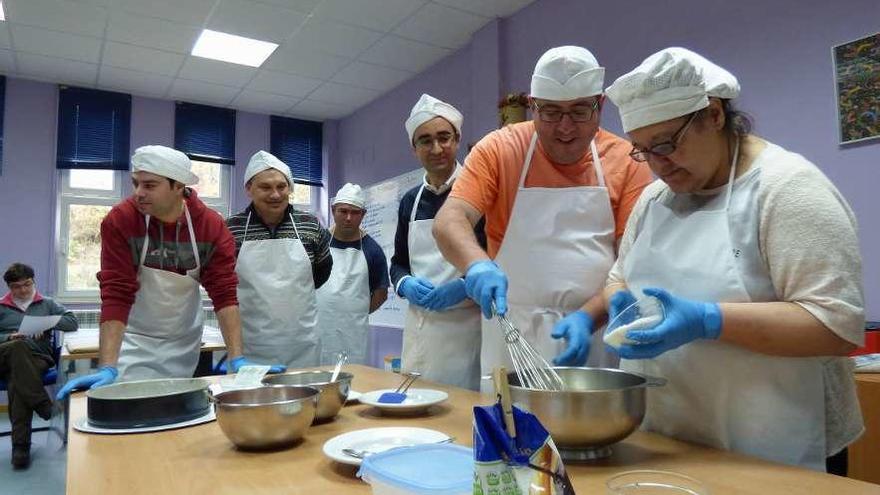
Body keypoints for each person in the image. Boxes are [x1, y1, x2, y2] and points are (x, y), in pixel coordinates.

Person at [602, 47, 865, 474]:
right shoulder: (654, 199)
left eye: (666, 144)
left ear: (714, 115)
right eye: (643, 150)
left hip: (775, 444)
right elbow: (619, 275)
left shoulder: (787, 189)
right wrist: (620, 301)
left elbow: (837, 327)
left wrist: (710, 321)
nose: (657, 165)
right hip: (674, 437)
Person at [433, 46, 653, 383]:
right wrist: (476, 264)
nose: (565, 127)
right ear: (532, 107)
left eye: (580, 111)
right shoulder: (500, 148)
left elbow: (630, 262)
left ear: (600, 106)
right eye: (550, 112)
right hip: (511, 335)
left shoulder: (626, 159)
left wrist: (587, 317)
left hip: (590, 335)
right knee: (507, 430)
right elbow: (450, 220)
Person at [57, 146, 277, 400]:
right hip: (134, 338)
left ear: (178, 186)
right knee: (133, 411)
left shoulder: (210, 226)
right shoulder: (121, 220)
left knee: (174, 409)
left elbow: (224, 294)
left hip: (184, 340)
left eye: (149, 185)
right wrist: (107, 365)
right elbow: (116, 293)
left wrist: (237, 358)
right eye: (136, 183)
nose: (139, 193)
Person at [390, 94, 485, 390]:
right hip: (420, 329)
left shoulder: (479, 191)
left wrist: (465, 286)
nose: (436, 148)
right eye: (425, 141)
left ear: (457, 140)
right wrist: (405, 284)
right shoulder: (410, 201)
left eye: (444, 138)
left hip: (468, 328)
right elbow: (398, 262)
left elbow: (496, 255)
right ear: (414, 148)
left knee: (461, 412)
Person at [227, 151, 332, 369]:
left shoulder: (310, 225)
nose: (275, 194)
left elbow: (322, 272)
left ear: (289, 188)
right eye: (265, 187)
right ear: (249, 189)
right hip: (251, 346)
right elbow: (222, 284)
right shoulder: (231, 229)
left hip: (302, 344)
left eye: (281, 187)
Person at [0, 263, 78, 469]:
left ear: (33, 282)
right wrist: (9, 336)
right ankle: (44, 405)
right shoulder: (1, 307)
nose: (23, 290)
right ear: (9, 288)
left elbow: (72, 322)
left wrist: (45, 322)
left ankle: (21, 447)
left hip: (37, 359)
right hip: (4, 356)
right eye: (17, 287)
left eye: (27, 284)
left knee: (17, 382)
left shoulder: (47, 303)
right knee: (16, 346)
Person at [316, 183, 389, 365]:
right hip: (318, 330)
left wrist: (355, 313)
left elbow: (381, 293)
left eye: (355, 213)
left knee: (351, 379)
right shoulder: (318, 243)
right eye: (343, 211)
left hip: (353, 333)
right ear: (333, 211)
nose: (349, 218)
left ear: (363, 215)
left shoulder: (373, 250)